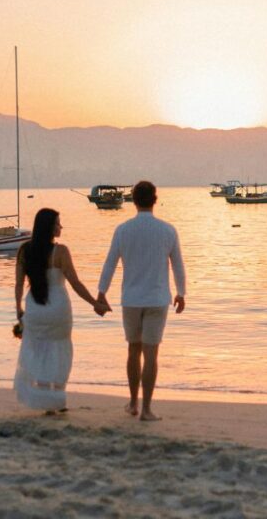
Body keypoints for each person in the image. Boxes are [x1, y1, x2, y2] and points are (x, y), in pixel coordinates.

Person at [97, 180, 186, 421]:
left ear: (133, 200)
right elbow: (178, 264)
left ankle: (134, 403)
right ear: (154, 199)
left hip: (132, 299)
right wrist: (181, 292)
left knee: (133, 350)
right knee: (151, 354)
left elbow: (110, 263)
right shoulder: (168, 230)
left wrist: (101, 292)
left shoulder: (123, 229)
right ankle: (146, 409)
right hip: (157, 299)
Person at [14, 208, 103, 413]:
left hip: (35, 308)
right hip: (58, 309)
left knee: (39, 352)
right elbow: (75, 283)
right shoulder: (61, 251)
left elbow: (19, 285)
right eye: (57, 223)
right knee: (60, 351)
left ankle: (44, 399)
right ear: (49, 228)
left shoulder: (24, 250)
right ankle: (57, 399)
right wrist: (94, 303)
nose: (60, 227)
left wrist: (18, 309)